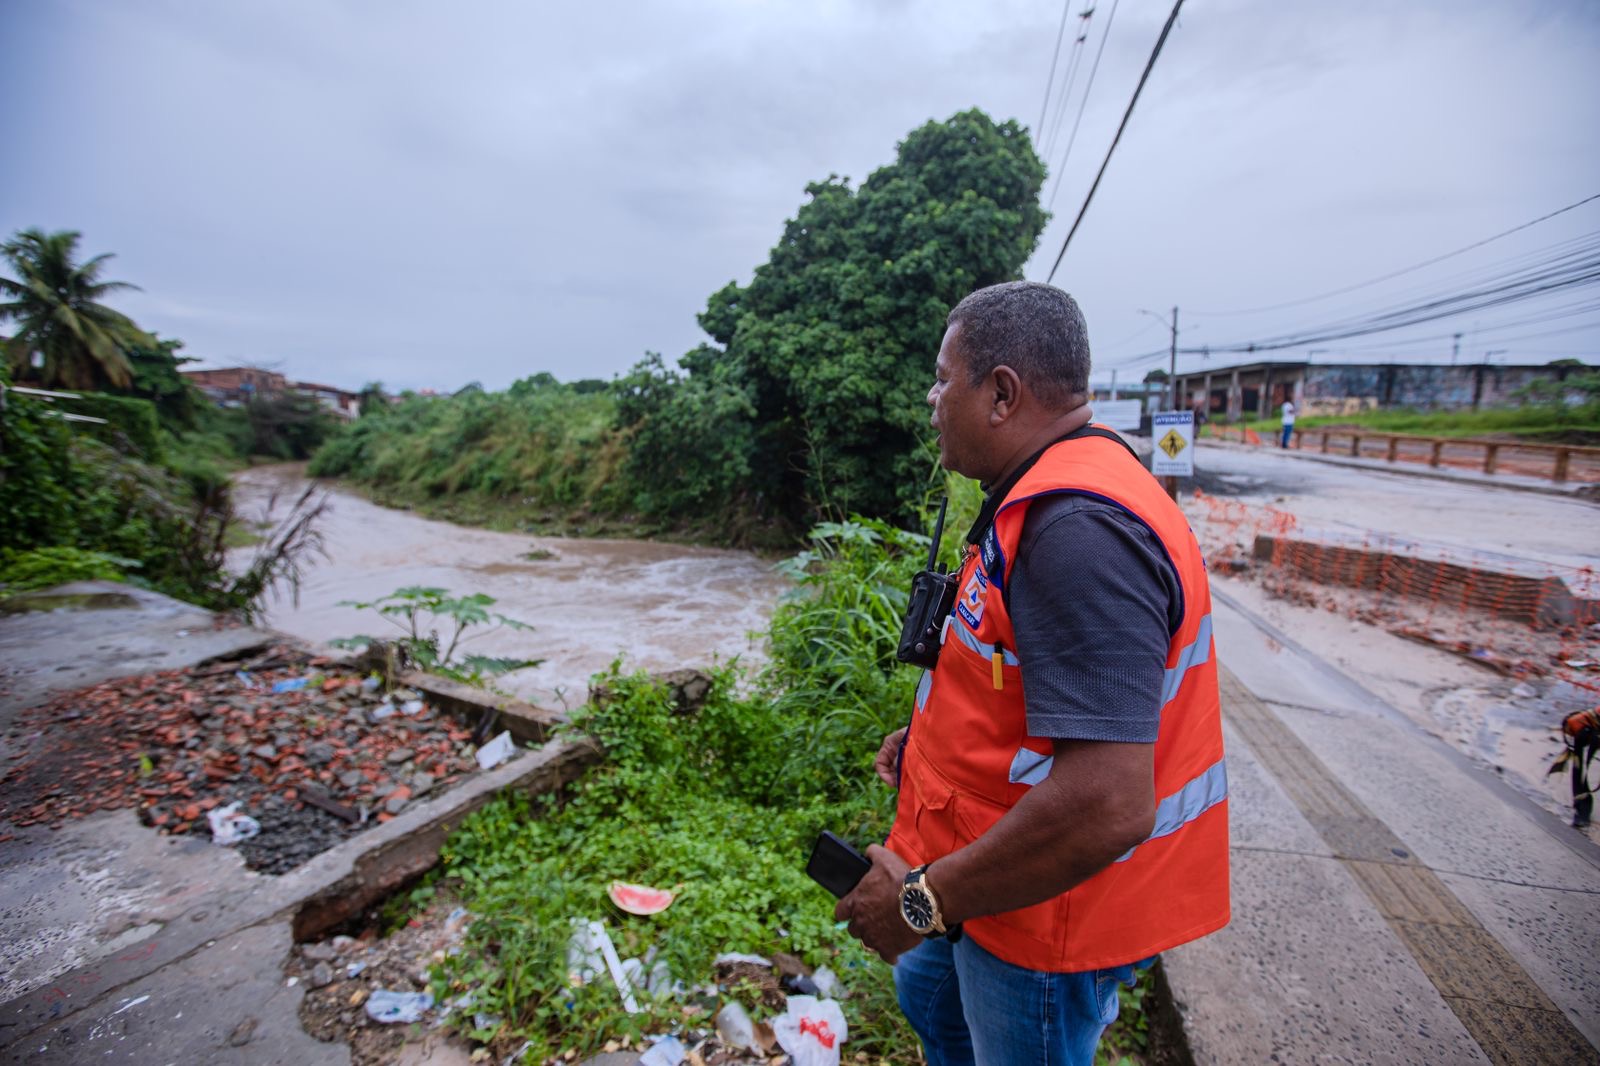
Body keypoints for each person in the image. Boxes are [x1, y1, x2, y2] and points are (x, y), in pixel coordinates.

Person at [835, 281, 1228, 1065]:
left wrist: (919, 902)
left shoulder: (1076, 530)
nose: (931, 399)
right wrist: (930, 743)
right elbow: (1015, 672)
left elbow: (1106, 804)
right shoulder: (1039, 489)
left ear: (1002, 394)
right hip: (989, 890)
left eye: (943, 379)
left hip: (1046, 921)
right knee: (931, 1005)